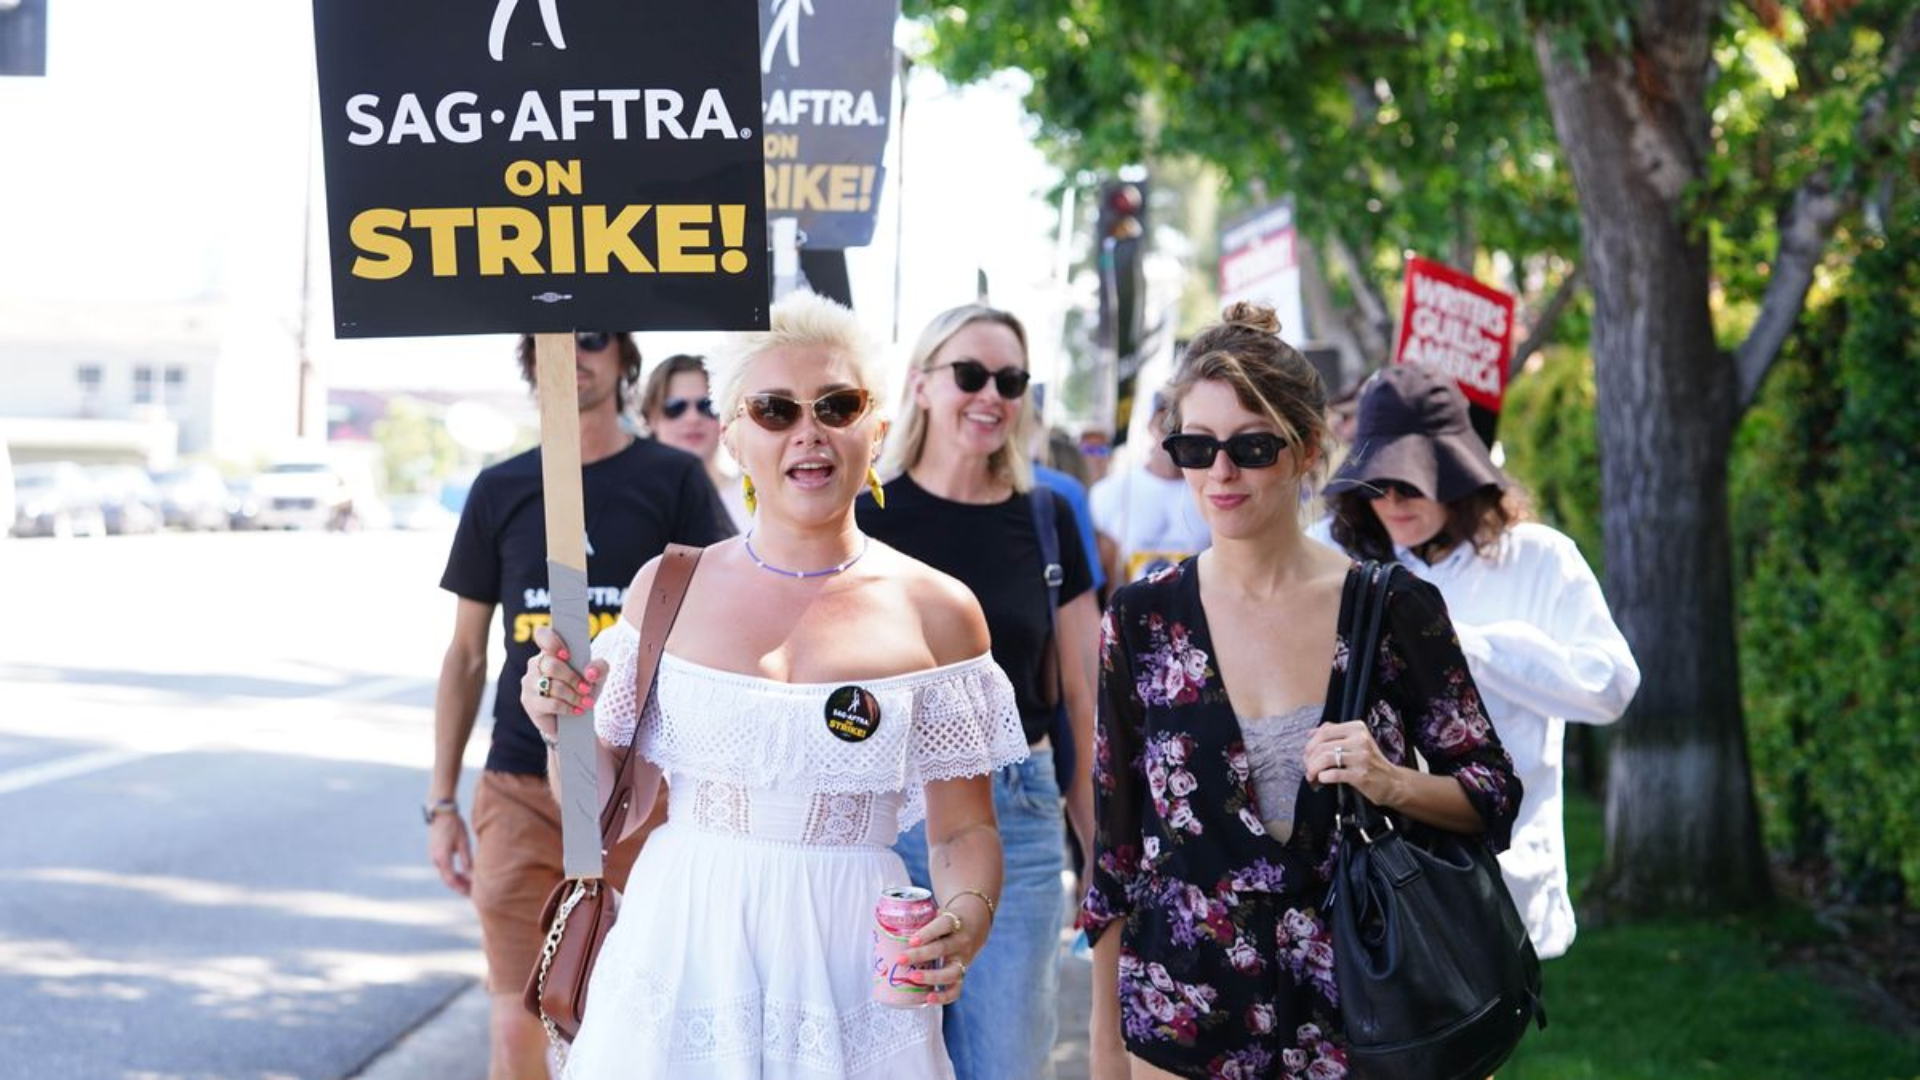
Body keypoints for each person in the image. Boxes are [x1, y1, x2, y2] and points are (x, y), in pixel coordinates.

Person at [520, 291, 1026, 1078]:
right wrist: (561, 730)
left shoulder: (939, 612)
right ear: (733, 438)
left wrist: (965, 919)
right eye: (774, 409)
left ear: (876, 429)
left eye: (836, 404)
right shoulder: (668, 589)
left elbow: (963, 831)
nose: (808, 430)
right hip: (685, 946)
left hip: (854, 965)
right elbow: (598, 818)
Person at [1081, 303, 1522, 1078]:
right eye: (1195, 446)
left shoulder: (1391, 608)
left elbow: (1492, 792)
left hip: (1360, 1020)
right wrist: (1103, 1046)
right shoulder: (1141, 619)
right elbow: (1116, 851)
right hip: (1179, 1020)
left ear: (1306, 449)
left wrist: (1392, 782)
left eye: (1251, 447)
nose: (1220, 473)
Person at [428, 329, 735, 1080]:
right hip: (519, 791)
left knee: (630, 1031)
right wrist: (441, 803)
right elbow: (467, 654)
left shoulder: (674, 482)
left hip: (637, 795)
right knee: (518, 1029)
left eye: (590, 338)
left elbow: (725, 630)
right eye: (548, 342)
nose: (571, 354)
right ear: (529, 361)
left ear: (625, 359)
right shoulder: (499, 490)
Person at [1318, 362, 1639, 960]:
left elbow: (1610, 686)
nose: (1391, 501)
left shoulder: (1539, 561)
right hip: (1361, 877)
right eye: (1376, 482)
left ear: (1456, 473)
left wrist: (1461, 647)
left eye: (1410, 482)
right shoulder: (1331, 561)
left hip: (1500, 880)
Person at [858, 303, 1100, 1079]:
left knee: (1003, 1061)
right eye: (970, 374)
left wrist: (1100, 848)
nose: (991, 394)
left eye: (1011, 379)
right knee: (883, 1059)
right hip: (876, 815)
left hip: (1016, 812)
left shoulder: (1049, 516)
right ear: (923, 385)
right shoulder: (862, 515)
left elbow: (1084, 701)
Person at [1089, 393, 1212, 586]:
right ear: (1150, 425)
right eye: (1166, 423)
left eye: (1183, 425)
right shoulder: (1109, 492)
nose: (1173, 432)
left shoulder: (1215, 491)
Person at [640, 352, 754, 532]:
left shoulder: (756, 498)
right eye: (675, 407)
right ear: (650, 417)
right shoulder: (634, 500)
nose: (692, 418)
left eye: (706, 406)